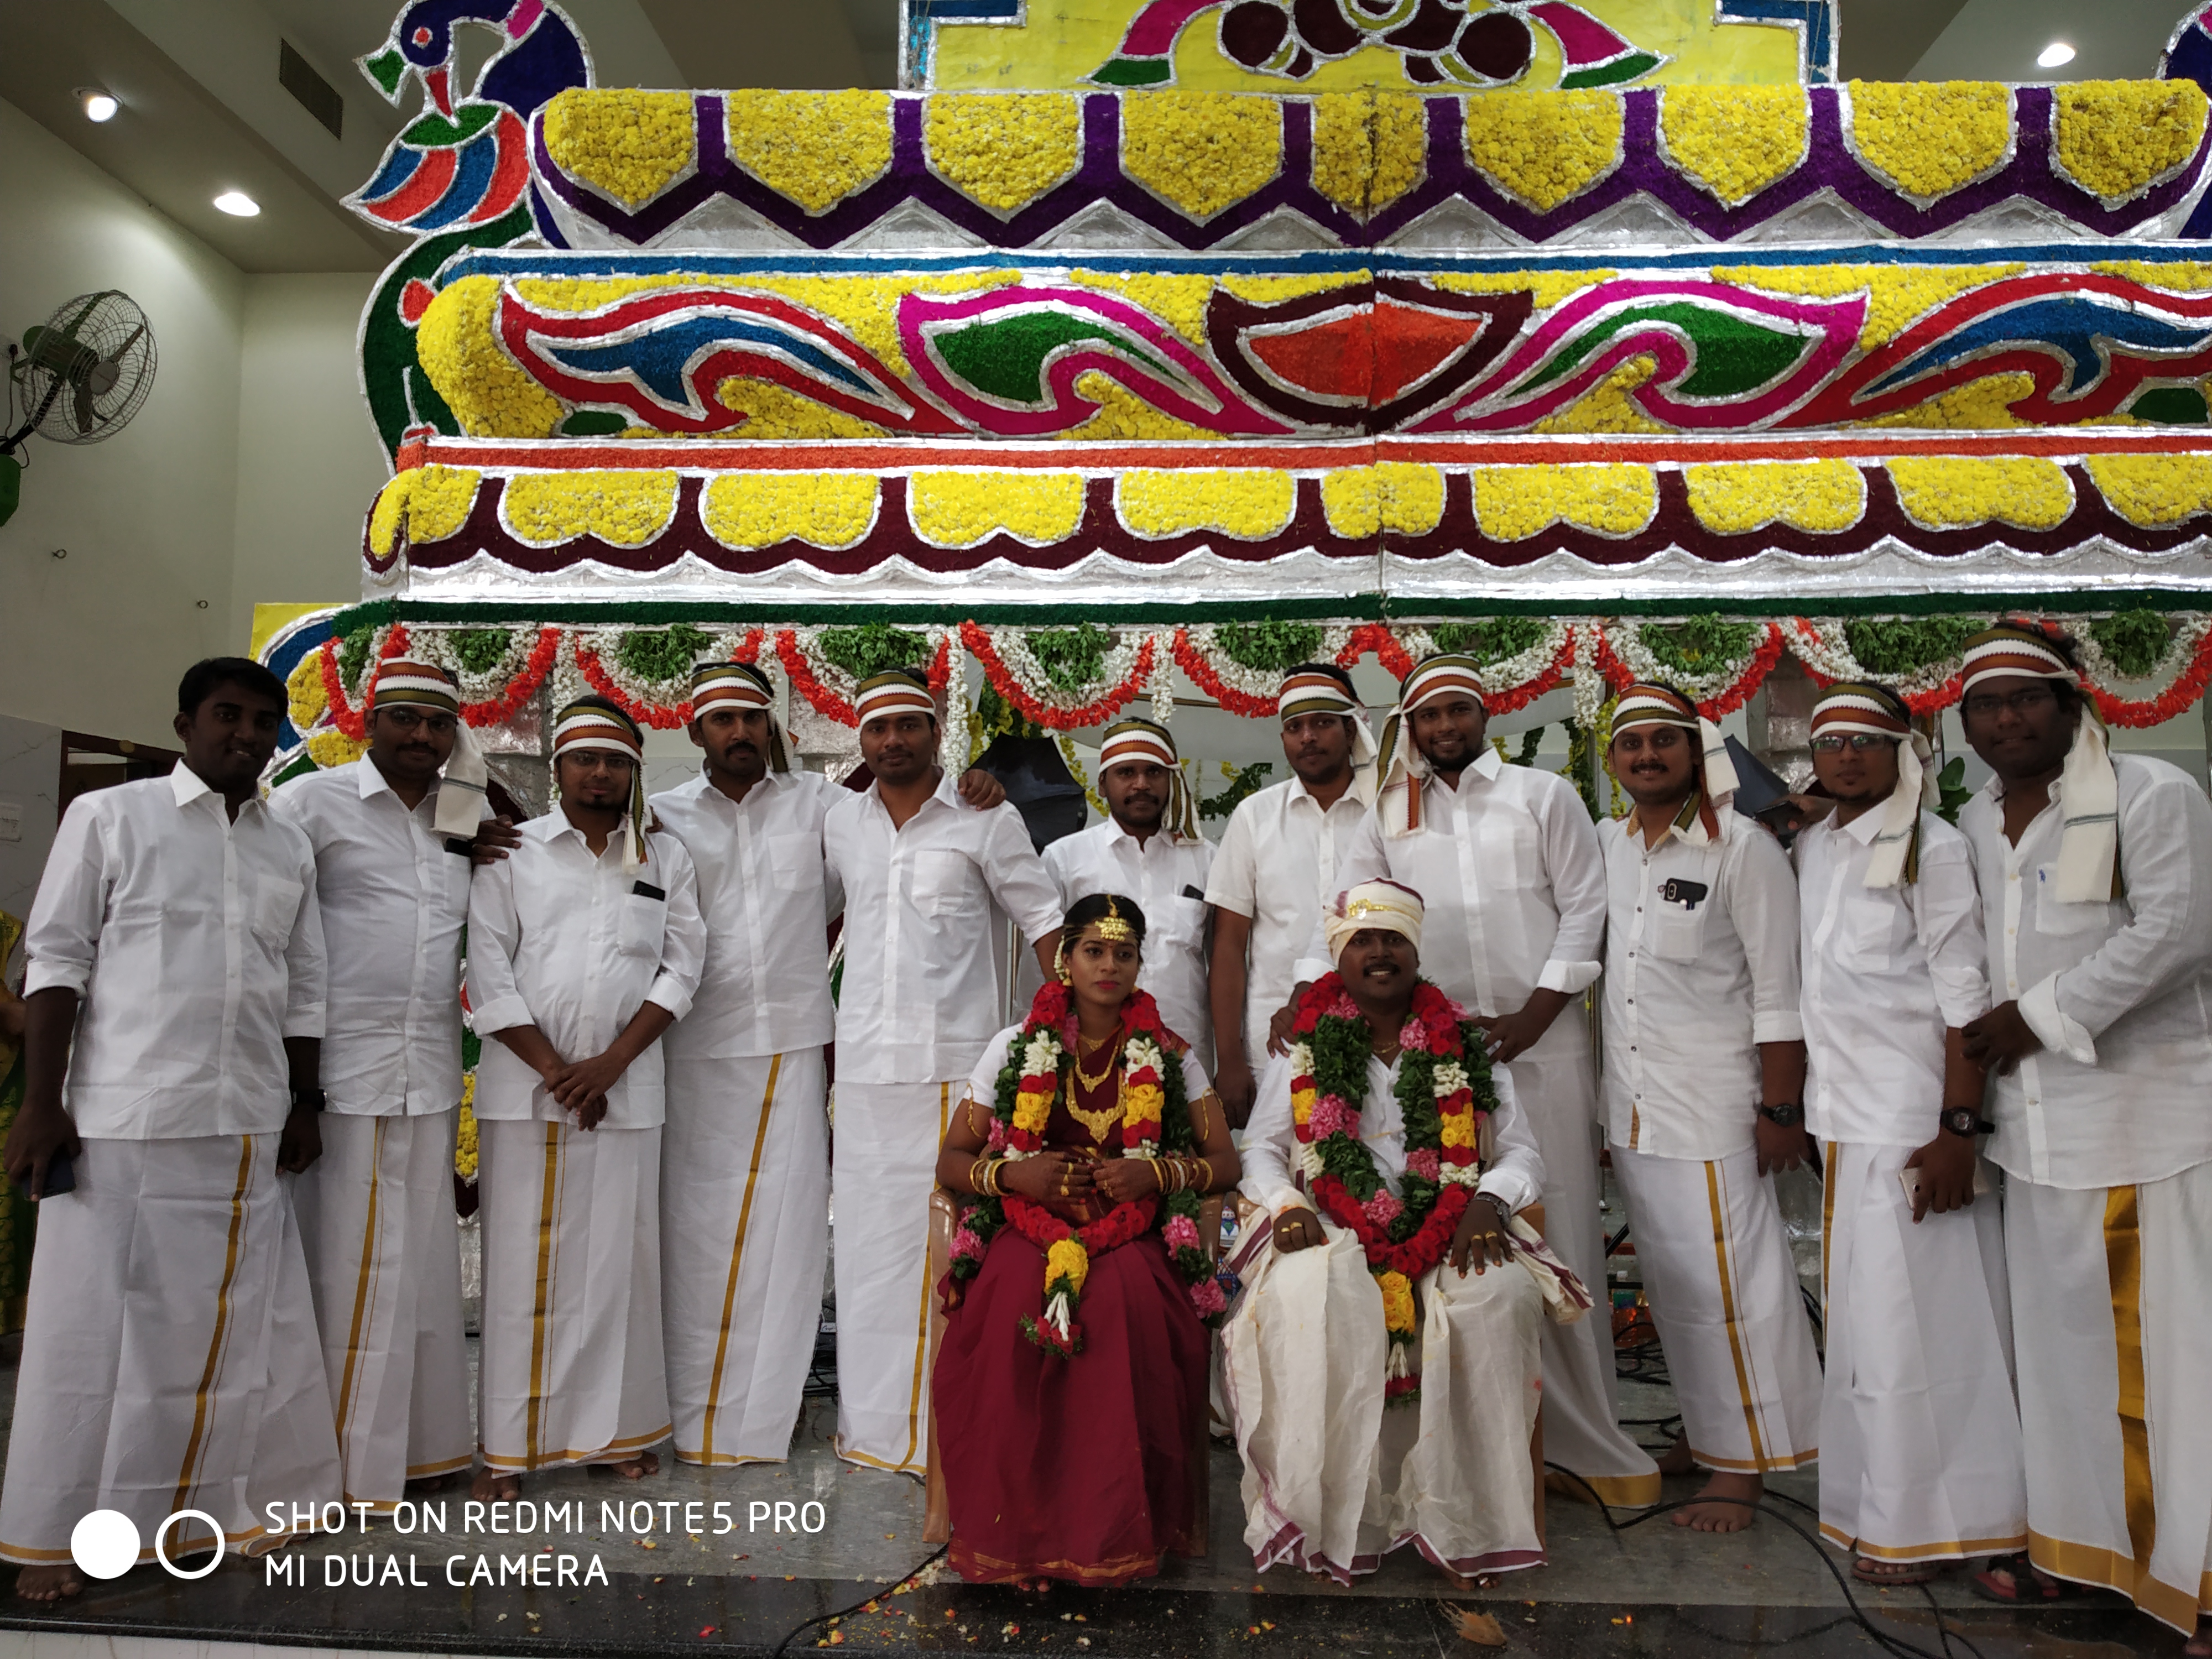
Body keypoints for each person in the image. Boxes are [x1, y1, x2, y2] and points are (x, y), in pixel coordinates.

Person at [1, 658, 340, 1599]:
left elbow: (303, 985)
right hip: (123, 1119)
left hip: (246, 1119)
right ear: (186, 723)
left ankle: (227, 1511)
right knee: (98, 1337)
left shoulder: (288, 845)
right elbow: (59, 959)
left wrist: (304, 1102)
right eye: (228, 715)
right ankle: (63, 1539)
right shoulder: (112, 820)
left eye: (264, 721)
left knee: (238, 1330)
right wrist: (43, 1101)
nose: (246, 734)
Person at [1288, 651, 1658, 1508]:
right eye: (1428, 717)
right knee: (1450, 1227)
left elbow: (1586, 907)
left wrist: (1534, 1016)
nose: (1444, 729)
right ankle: (1479, 1441)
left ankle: (1583, 1444)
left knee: (1555, 1232)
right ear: (1410, 728)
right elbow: (1349, 908)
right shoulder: (1389, 810)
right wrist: (1306, 993)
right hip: (1427, 1048)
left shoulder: (1541, 795)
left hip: (1546, 1042)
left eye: (1457, 712)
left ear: (1481, 714)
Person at [651, 660, 1006, 1467]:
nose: (740, 732)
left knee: (790, 1243)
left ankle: (758, 1425)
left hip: (795, 1053)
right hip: (691, 1050)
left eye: (752, 717)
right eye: (723, 719)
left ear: (772, 725)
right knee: (692, 1236)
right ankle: (685, 1414)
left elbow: (912, 835)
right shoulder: (663, 817)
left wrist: (974, 784)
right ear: (695, 729)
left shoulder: (824, 808)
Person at [1948, 623, 2212, 1655]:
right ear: (1965, 724)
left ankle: (2190, 1575)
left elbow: (2180, 931)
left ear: (2071, 703)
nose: (2008, 719)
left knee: (2172, 1365)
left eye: (2027, 699)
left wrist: (2036, 1017)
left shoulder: (2150, 794)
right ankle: (2080, 1553)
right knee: (2060, 1363)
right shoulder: (1971, 822)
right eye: (1988, 704)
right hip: (2034, 1137)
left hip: (2143, 1124)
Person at [1223, 879, 1591, 1585]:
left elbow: (1521, 1152)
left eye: (1393, 938)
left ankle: (1468, 1526)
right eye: (1362, 940)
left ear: (1415, 952)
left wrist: (1489, 1199)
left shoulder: (1467, 1047)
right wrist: (1284, 1204)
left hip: (1455, 1227)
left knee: (1494, 1299)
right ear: (1340, 957)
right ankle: (1331, 1519)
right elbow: (1262, 1150)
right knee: (1308, 1301)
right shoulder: (1301, 1045)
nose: (1379, 952)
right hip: (1328, 1228)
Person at [931, 893, 1240, 1585]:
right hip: (1026, 1222)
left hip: (1135, 1227)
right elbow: (952, 1162)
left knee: (1126, 1304)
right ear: (1065, 961)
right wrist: (1017, 1173)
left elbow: (1225, 1163)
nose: (1109, 964)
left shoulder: (1169, 1054)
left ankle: (1111, 1535)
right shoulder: (1016, 1047)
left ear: (1139, 965)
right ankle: (1016, 1538)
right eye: (1094, 951)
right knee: (1012, 1301)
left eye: (1123, 953)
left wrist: (1156, 1170)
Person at [1791, 681, 2024, 1585]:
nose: (1847, 755)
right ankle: (1873, 1510)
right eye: (1831, 742)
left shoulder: (1936, 847)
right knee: (1865, 1339)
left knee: (1924, 1336)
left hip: (1914, 1127)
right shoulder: (1813, 843)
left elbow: (1963, 997)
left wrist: (1956, 1130)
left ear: (1904, 751)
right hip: (1844, 1125)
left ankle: (1949, 1526)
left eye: (1867, 741)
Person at [271, 657, 513, 1512]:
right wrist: (295, 1090)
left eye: (437, 724)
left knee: (420, 1269)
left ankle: (423, 1450)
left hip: (429, 1076)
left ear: (456, 735)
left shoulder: (463, 812)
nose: (420, 737)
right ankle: (329, 1465)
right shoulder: (312, 805)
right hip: (335, 1076)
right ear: (369, 721)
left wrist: (481, 821)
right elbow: (281, 939)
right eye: (403, 719)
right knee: (338, 1265)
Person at [822, 667, 1063, 1475]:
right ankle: (876, 1432)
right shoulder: (840, 823)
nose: (893, 741)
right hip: (863, 1075)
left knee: (957, 1250)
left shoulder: (985, 820)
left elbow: (1044, 920)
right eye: (878, 728)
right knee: (868, 1253)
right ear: (862, 739)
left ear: (935, 732)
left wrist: (1064, 1031)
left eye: (908, 726)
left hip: (956, 1076)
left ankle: (953, 1434)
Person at [466, 696, 705, 1500]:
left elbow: (682, 969)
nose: (600, 774)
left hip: (627, 1092)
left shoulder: (663, 861)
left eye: (616, 762)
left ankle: (615, 1435)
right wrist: (558, 1071)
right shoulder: (512, 854)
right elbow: (486, 973)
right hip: (525, 1093)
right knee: (521, 1267)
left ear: (635, 772)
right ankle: (511, 1444)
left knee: (614, 1267)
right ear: (559, 767)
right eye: (584, 760)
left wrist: (608, 1066)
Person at [1598, 681, 1820, 1532]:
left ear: (1696, 752)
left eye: (1664, 741)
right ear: (1615, 761)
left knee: (1739, 1290)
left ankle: (1747, 1466)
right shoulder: (1608, 847)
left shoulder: (1746, 851)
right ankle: (1704, 1430)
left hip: (1720, 1110)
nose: (1647, 755)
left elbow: (1777, 992)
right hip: (1638, 1111)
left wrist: (1781, 1109)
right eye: (1632, 744)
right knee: (1678, 1290)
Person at [1206, 664, 1377, 1125]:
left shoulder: (1387, 812)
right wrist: (1231, 1060)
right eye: (1294, 727)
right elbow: (1228, 945)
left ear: (1351, 728)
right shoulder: (1253, 816)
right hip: (1277, 1040)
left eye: (1322, 722)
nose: (1307, 737)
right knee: (1276, 1183)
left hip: (1380, 1035)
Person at [1042, 717, 1215, 1068]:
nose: (1141, 784)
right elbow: (1043, 970)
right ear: (1103, 783)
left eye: (1154, 772)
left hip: (1185, 1052)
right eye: (1126, 773)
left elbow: (1224, 961)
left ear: (1170, 780)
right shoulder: (1064, 858)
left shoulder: (1206, 858)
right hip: (1090, 1053)